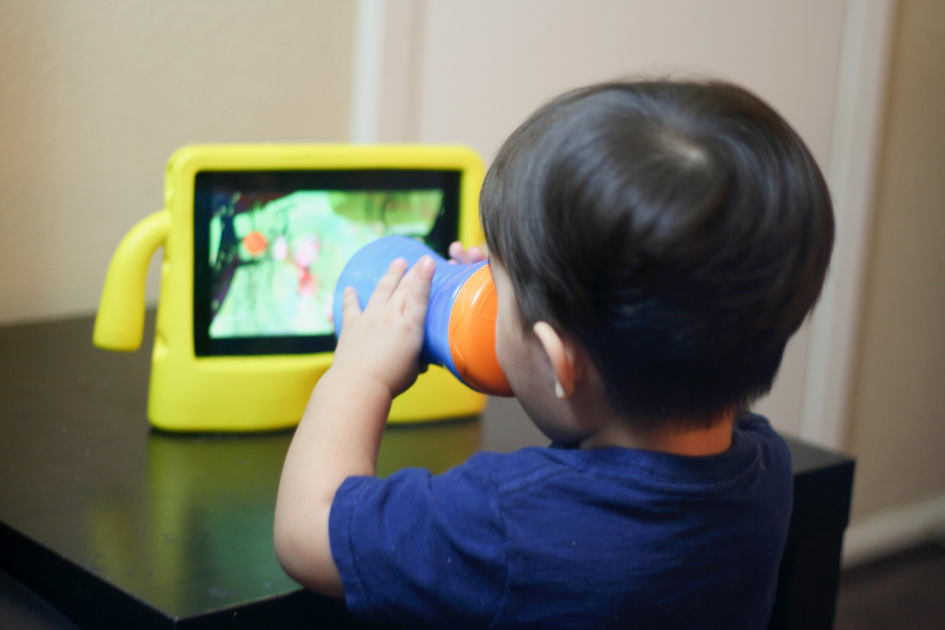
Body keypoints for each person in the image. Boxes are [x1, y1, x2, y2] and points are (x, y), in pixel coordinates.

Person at [274, 79, 834, 629]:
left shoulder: (506, 521)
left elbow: (307, 532)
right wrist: (525, 311)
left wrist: (361, 372)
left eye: (497, 283)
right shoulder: (764, 470)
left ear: (559, 360)